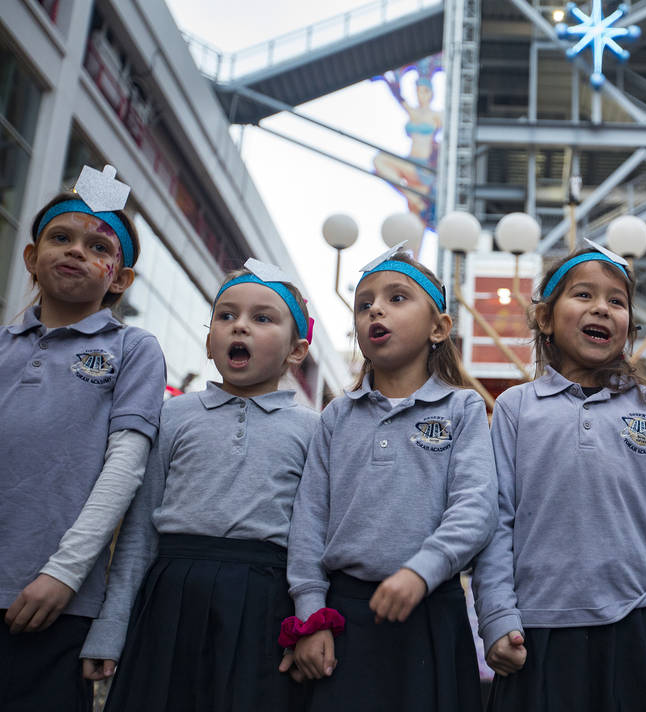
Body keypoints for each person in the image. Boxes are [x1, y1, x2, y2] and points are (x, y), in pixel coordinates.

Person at [473, 242, 646, 712]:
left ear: (628, 327)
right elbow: (495, 521)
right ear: (544, 319)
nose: (602, 307)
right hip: (535, 632)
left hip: (637, 625)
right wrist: (496, 617)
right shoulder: (516, 407)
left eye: (617, 301)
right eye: (583, 295)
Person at [81, 259, 316, 711]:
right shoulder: (171, 416)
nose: (239, 327)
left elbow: (313, 538)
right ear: (209, 342)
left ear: (296, 351)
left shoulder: (315, 430)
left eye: (262, 318)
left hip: (265, 599)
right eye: (226, 316)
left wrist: (306, 622)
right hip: (170, 592)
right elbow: (138, 531)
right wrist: (110, 628)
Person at [284, 245, 497, 712]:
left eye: (397, 298)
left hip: (431, 613)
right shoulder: (336, 416)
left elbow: (477, 507)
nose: (376, 309)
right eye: (364, 304)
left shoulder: (462, 409)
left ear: (439, 327)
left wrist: (422, 571)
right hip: (343, 619)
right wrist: (311, 615)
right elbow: (308, 523)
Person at [0, 166, 165, 711]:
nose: (75, 251)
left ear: (119, 278)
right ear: (31, 257)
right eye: (60, 237)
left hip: (55, 601)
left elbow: (125, 468)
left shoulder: (134, 350)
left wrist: (62, 574)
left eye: (98, 246)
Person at [373, 64, 442, 225]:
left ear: (431, 93)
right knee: (380, 160)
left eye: (424, 91)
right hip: (409, 164)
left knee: (415, 225)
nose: (420, 95)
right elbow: (400, 97)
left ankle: (415, 200)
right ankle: (413, 197)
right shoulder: (414, 112)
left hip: (422, 168)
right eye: (418, 90)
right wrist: (388, 80)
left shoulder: (437, 116)